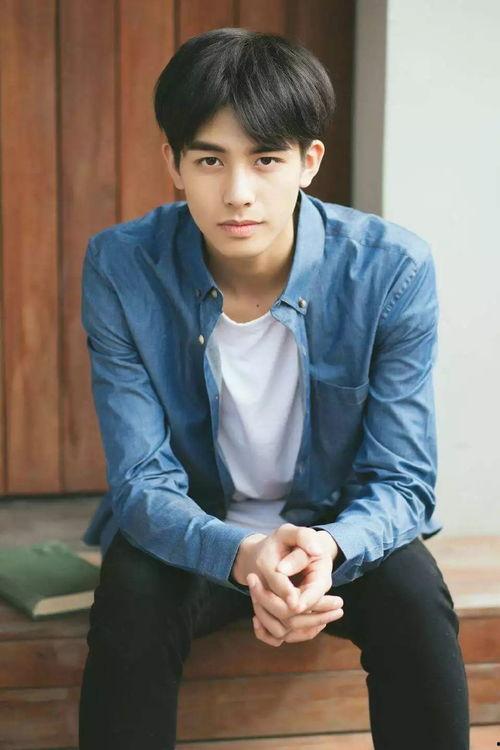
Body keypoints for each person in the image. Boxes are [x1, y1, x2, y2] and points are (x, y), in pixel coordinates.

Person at [78, 27, 469, 750]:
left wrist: (327, 548)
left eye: (265, 159)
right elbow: (140, 482)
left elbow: (403, 481)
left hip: (332, 531)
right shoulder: (122, 267)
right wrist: (239, 553)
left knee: (416, 598)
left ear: (308, 162)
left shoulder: (391, 271)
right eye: (209, 160)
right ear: (173, 164)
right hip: (194, 532)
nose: (238, 193)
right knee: (130, 595)